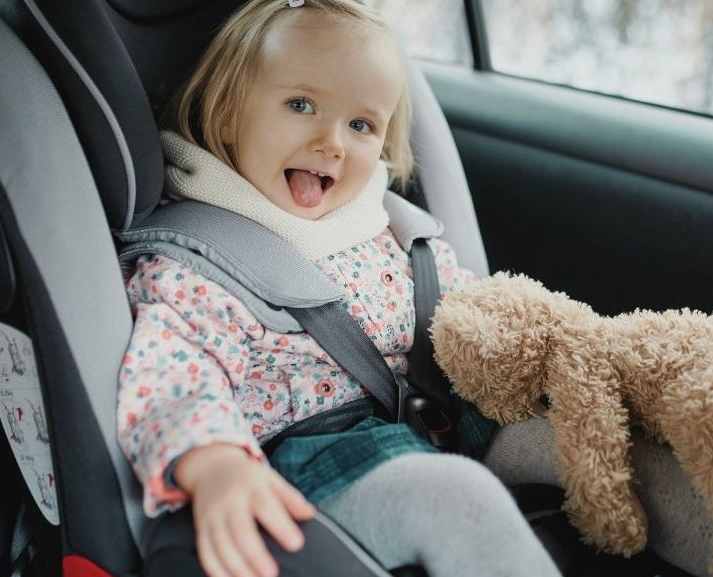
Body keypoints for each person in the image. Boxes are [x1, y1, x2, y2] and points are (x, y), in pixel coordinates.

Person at [116, 2, 562, 577]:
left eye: (361, 125)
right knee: (458, 500)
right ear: (227, 114)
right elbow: (173, 374)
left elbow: (471, 313)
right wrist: (216, 464)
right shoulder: (194, 261)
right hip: (317, 459)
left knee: (574, 443)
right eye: (301, 105)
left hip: (443, 422)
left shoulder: (389, 228)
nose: (332, 142)